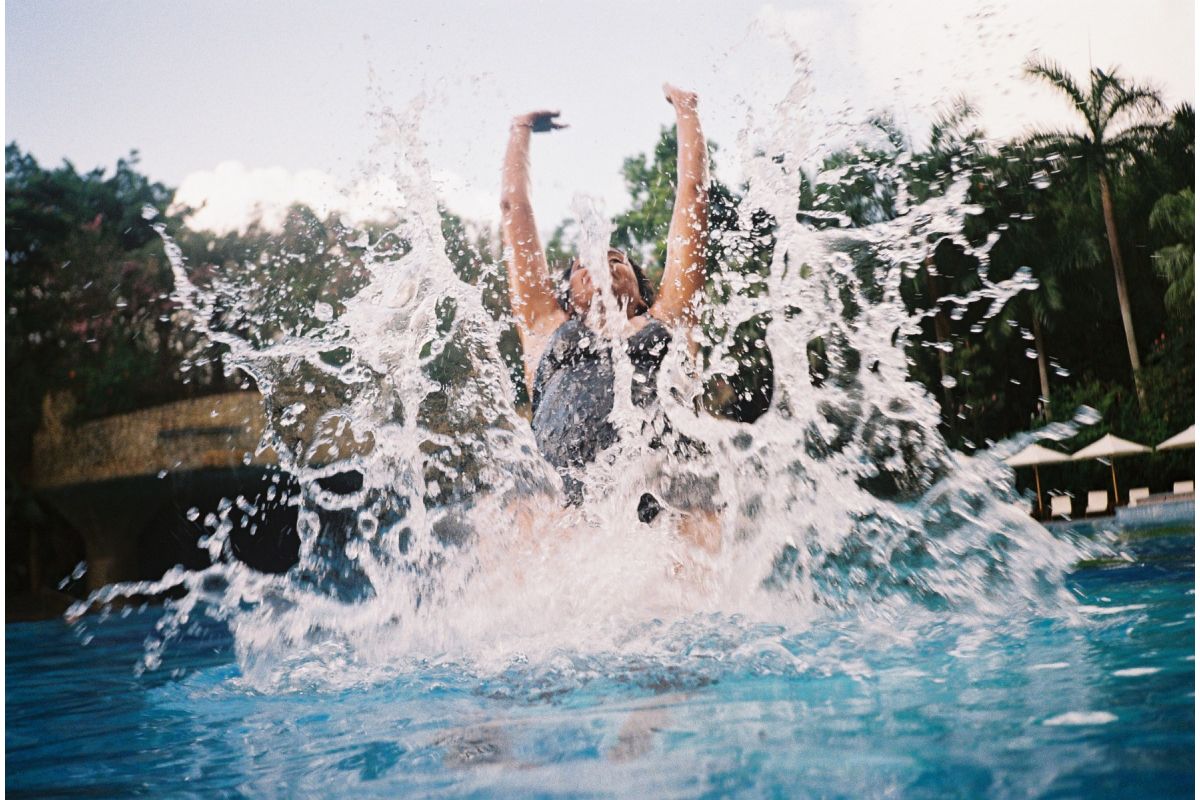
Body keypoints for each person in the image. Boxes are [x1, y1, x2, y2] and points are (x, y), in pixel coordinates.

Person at [499, 84, 718, 551]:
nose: (603, 262)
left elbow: (694, 197)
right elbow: (514, 212)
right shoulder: (544, 328)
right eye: (586, 266)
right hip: (566, 521)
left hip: (673, 509)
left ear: (641, 291)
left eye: (617, 259)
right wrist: (520, 130)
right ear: (566, 297)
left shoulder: (669, 318)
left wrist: (687, 110)